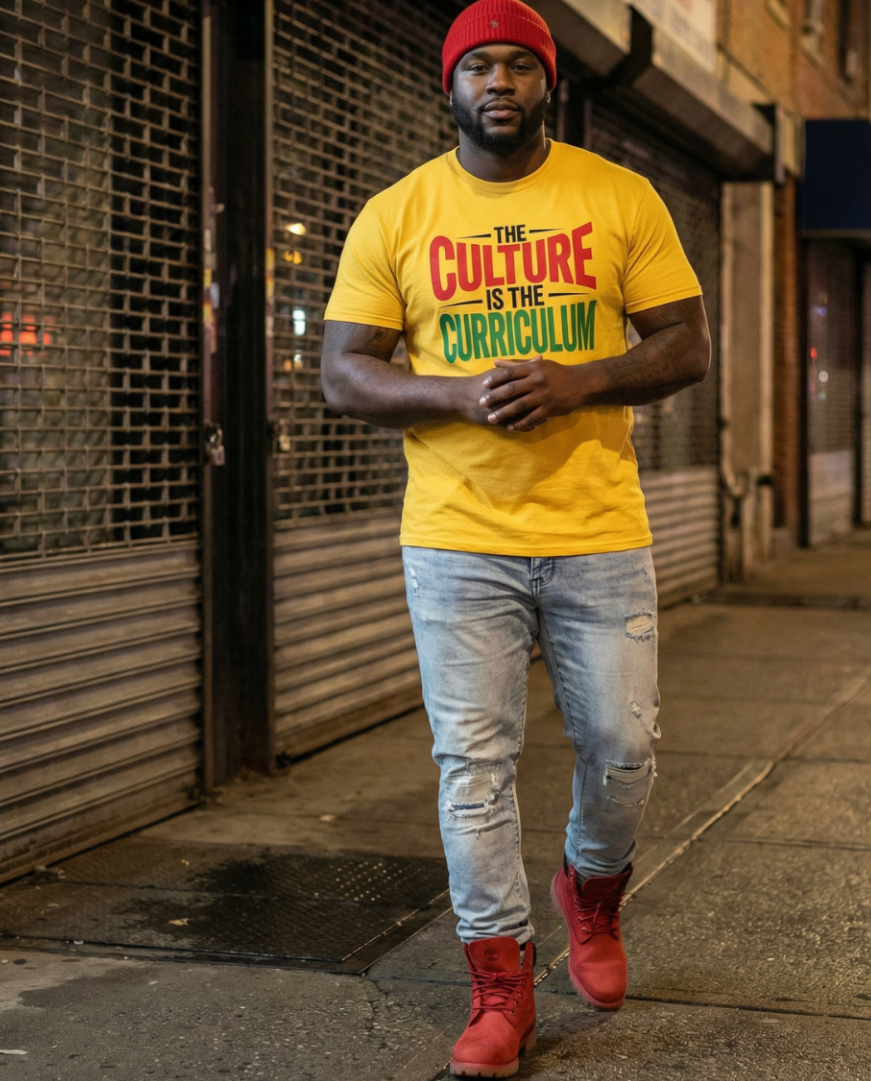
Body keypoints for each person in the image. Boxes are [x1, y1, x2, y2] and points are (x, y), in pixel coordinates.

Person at [321, 1, 710, 1074]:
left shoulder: (617, 196)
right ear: (449, 85)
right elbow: (343, 369)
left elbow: (686, 343)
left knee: (623, 747)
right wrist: (454, 395)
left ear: (550, 83)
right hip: (456, 538)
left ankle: (592, 891)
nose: (498, 81)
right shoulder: (397, 214)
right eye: (478, 65)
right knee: (473, 766)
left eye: (518, 66)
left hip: (597, 530)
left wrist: (580, 378)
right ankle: (501, 986)